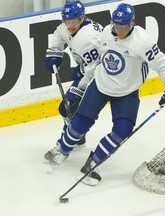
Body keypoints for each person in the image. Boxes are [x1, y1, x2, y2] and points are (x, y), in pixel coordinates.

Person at [46, 3, 165, 186]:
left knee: (123, 131)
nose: (119, 29)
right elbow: (98, 60)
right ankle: (62, 150)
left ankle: (94, 162)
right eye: (116, 25)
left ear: (132, 23)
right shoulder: (105, 33)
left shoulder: (142, 41)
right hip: (100, 86)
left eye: (123, 26)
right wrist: (83, 75)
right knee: (79, 124)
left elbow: (160, 62)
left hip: (127, 92)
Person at [44, 1, 103, 161]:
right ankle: (76, 137)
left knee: (70, 108)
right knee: (67, 109)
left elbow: (95, 68)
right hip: (88, 70)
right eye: (68, 21)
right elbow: (59, 34)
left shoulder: (88, 38)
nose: (71, 25)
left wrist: (80, 89)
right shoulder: (68, 26)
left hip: (100, 77)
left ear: (82, 18)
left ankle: (65, 145)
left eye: (74, 21)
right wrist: (54, 53)